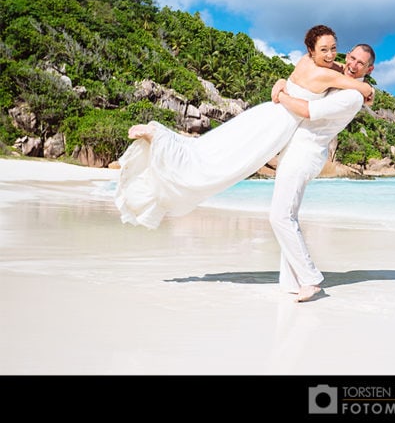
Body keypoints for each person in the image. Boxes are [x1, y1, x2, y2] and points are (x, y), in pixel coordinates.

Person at [115, 25, 373, 230]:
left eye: (334, 49)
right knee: (229, 162)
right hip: (277, 124)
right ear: (311, 50)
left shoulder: (308, 63)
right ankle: (161, 138)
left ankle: (163, 139)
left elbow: (339, 70)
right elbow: (356, 85)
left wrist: (281, 82)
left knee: (217, 147)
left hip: (266, 114)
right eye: (324, 50)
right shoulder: (327, 74)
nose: (331, 56)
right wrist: (368, 88)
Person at [269, 44, 375, 302]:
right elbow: (306, 74)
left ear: (369, 69)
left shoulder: (352, 96)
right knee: (288, 214)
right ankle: (291, 281)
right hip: (294, 149)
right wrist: (284, 80)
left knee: (280, 216)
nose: (352, 64)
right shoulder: (343, 79)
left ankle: (310, 279)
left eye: (360, 63)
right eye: (351, 57)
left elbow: (308, 111)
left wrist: (280, 95)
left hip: (305, 153)